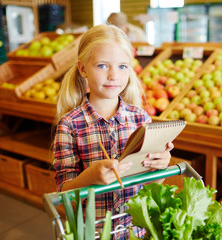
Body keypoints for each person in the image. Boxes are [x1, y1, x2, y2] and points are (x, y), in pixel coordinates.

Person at [52, 24, 173, 239]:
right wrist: (88, 178)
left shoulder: (140, 119)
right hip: (93, 232)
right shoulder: (69, 125)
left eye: (122, 67)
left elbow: (150, 186)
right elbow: (64, 194)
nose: (113, 75)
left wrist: (161, 167)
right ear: (82, 69)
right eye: (102, 65)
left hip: (135, 230)